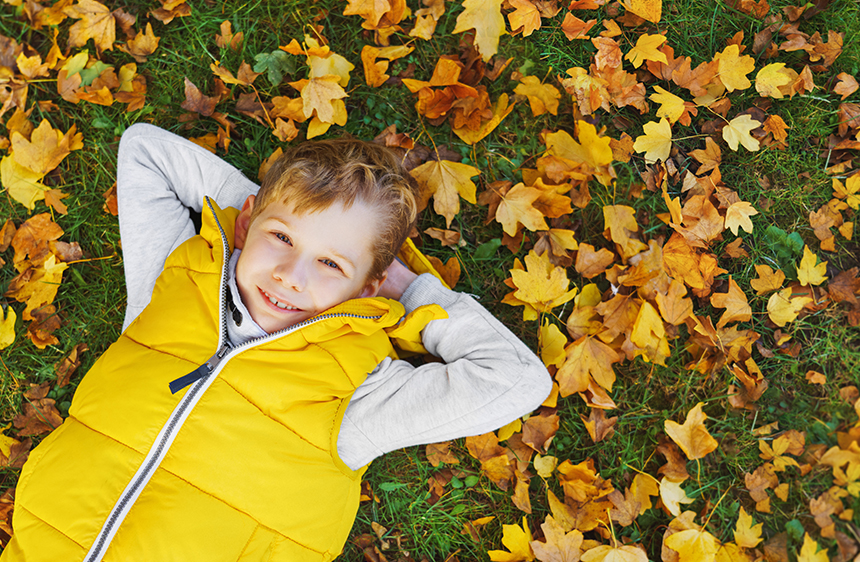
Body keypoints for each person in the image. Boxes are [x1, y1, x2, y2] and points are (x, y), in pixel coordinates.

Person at [1, 124, 552, 561]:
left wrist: (409, 290)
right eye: (282, 238)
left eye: (330, 263)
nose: (290, 274)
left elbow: (516, 379)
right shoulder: (171, 286)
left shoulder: (360, 393)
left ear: (367, 286)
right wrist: (273, 206)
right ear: (244, 228)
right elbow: (146, 151)